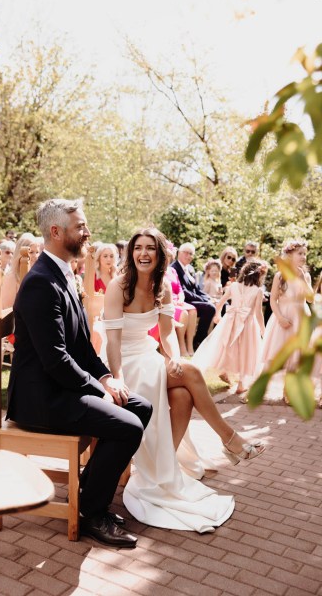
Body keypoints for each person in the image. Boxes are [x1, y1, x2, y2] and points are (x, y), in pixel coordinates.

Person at [6, 198, 152, 549]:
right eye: (80, 227)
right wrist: (100, 392)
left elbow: (81, 346)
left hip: (61, 387)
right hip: (40, 398)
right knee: (128, 425)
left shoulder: (62, 272)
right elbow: (55, 359)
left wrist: (105, 378)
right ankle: (90, 511)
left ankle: (88, 491)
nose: (87, 232)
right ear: (56, 232)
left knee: (140, 407)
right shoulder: (42, 281)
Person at [103, 228, 265, 532]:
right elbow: (112, 341)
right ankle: (229, 439)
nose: (144, 254)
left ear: (160, 254)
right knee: (190, 374)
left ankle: (164, 463)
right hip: (120, 361)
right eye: (138, 248)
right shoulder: (118, 286)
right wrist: (117, 377)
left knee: (183, 395)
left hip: (147, 354)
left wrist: (175, 356)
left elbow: (166, 334)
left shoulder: (162, 287)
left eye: (151, 248)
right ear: (131, 253)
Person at [192, 260, 267, 399]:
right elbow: (258, 313)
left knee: (227, 347)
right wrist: (263, 329)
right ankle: (241, 384)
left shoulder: (233, 286)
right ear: (259, 276)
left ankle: (225, 370)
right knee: (245, 351)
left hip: (230, 320)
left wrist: (217, 315)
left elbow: (220, 302)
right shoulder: (258, 291)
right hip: (247, 323)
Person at [261, 239, 313, 403]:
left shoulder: (306, 276)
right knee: (274, 355)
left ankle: (287, 391)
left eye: (305, 254)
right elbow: (272, 300)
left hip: (300, 318)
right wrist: (280, 318)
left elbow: (310, 299)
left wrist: (304, 279)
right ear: (289, 256)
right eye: (300, 254)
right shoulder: (279, 276)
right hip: (283, 317)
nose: (303, 257)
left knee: (295, 356)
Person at [171, 243, 216, 349]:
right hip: (183, 301)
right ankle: (199, 341)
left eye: (191, 254)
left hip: (192, 300)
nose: (188, 256)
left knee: (216, 304)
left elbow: (196, 289)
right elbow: (184, 291)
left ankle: (211, 340)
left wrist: (207, 297)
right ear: (179, 253)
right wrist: (203, 300)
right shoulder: (174, 268)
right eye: (186, 253)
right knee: (209, 308)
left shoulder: (190, 268)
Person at [2, 233, 40, 309]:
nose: (35, 256)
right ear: (20, 253)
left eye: (37, 252)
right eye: (31, 252)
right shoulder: (12, 277)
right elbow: (8, 310)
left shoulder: (37, 274)